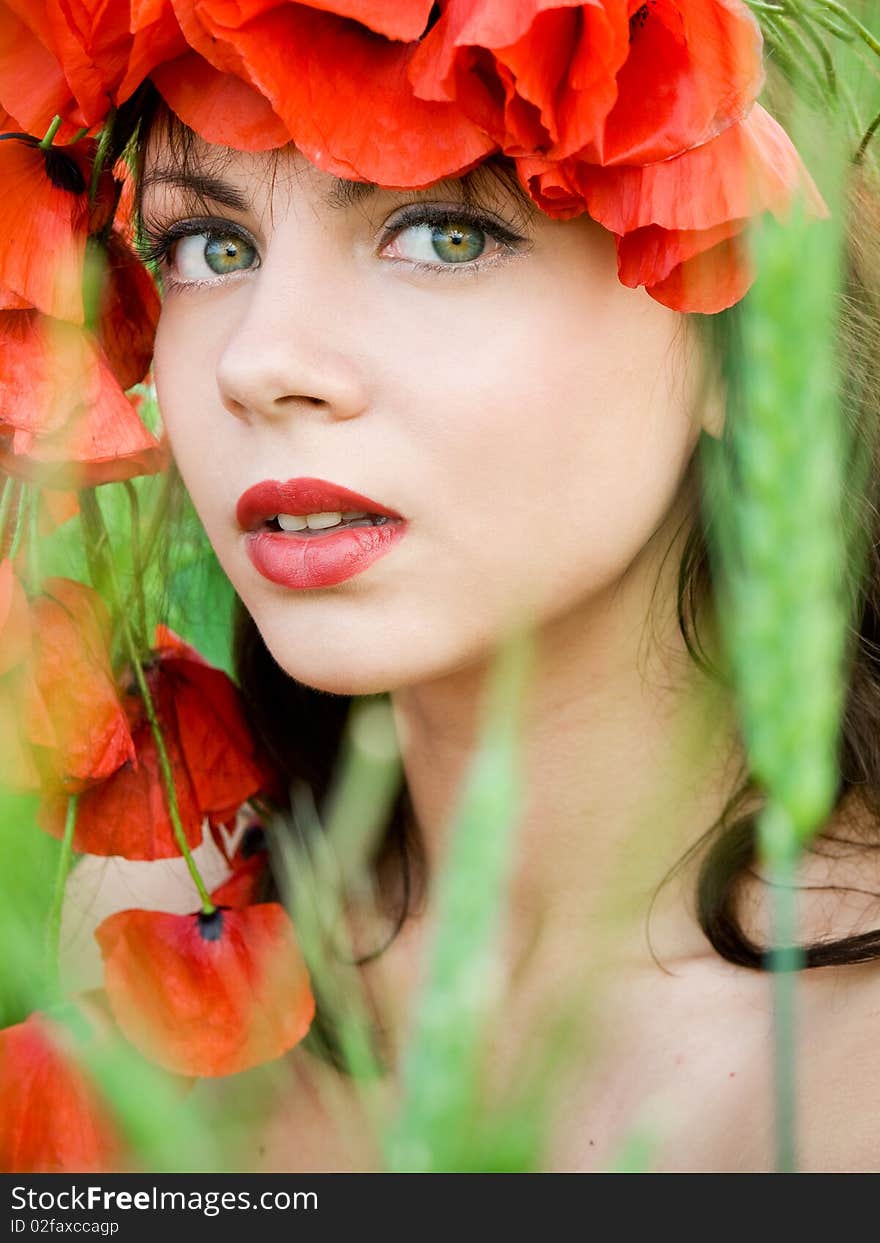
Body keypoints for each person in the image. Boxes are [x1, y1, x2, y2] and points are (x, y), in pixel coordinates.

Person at [16, 0, 879, 1171]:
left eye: (445, 234)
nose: (261, 362)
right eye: (208, 247)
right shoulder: (129, 967)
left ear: (740, 310)